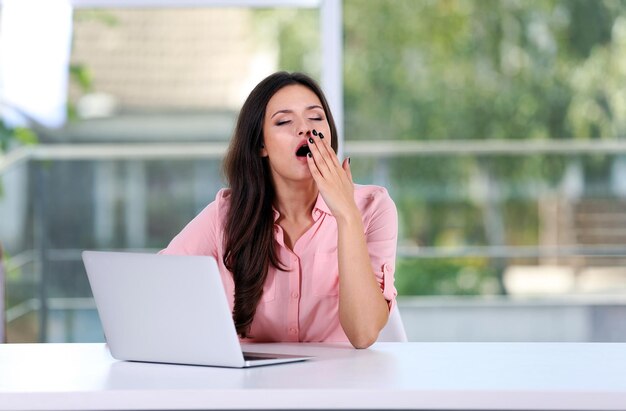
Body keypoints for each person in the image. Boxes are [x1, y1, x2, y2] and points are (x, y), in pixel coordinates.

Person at [161, 71, 397, 349]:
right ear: (261, 144)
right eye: (284, 121)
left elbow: (363, 333)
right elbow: (158, 285)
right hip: (252, 386)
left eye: (316, 117)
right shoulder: (225, 215)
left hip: (340, 384)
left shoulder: (373, 207)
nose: (305, 129)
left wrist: (346, 215)